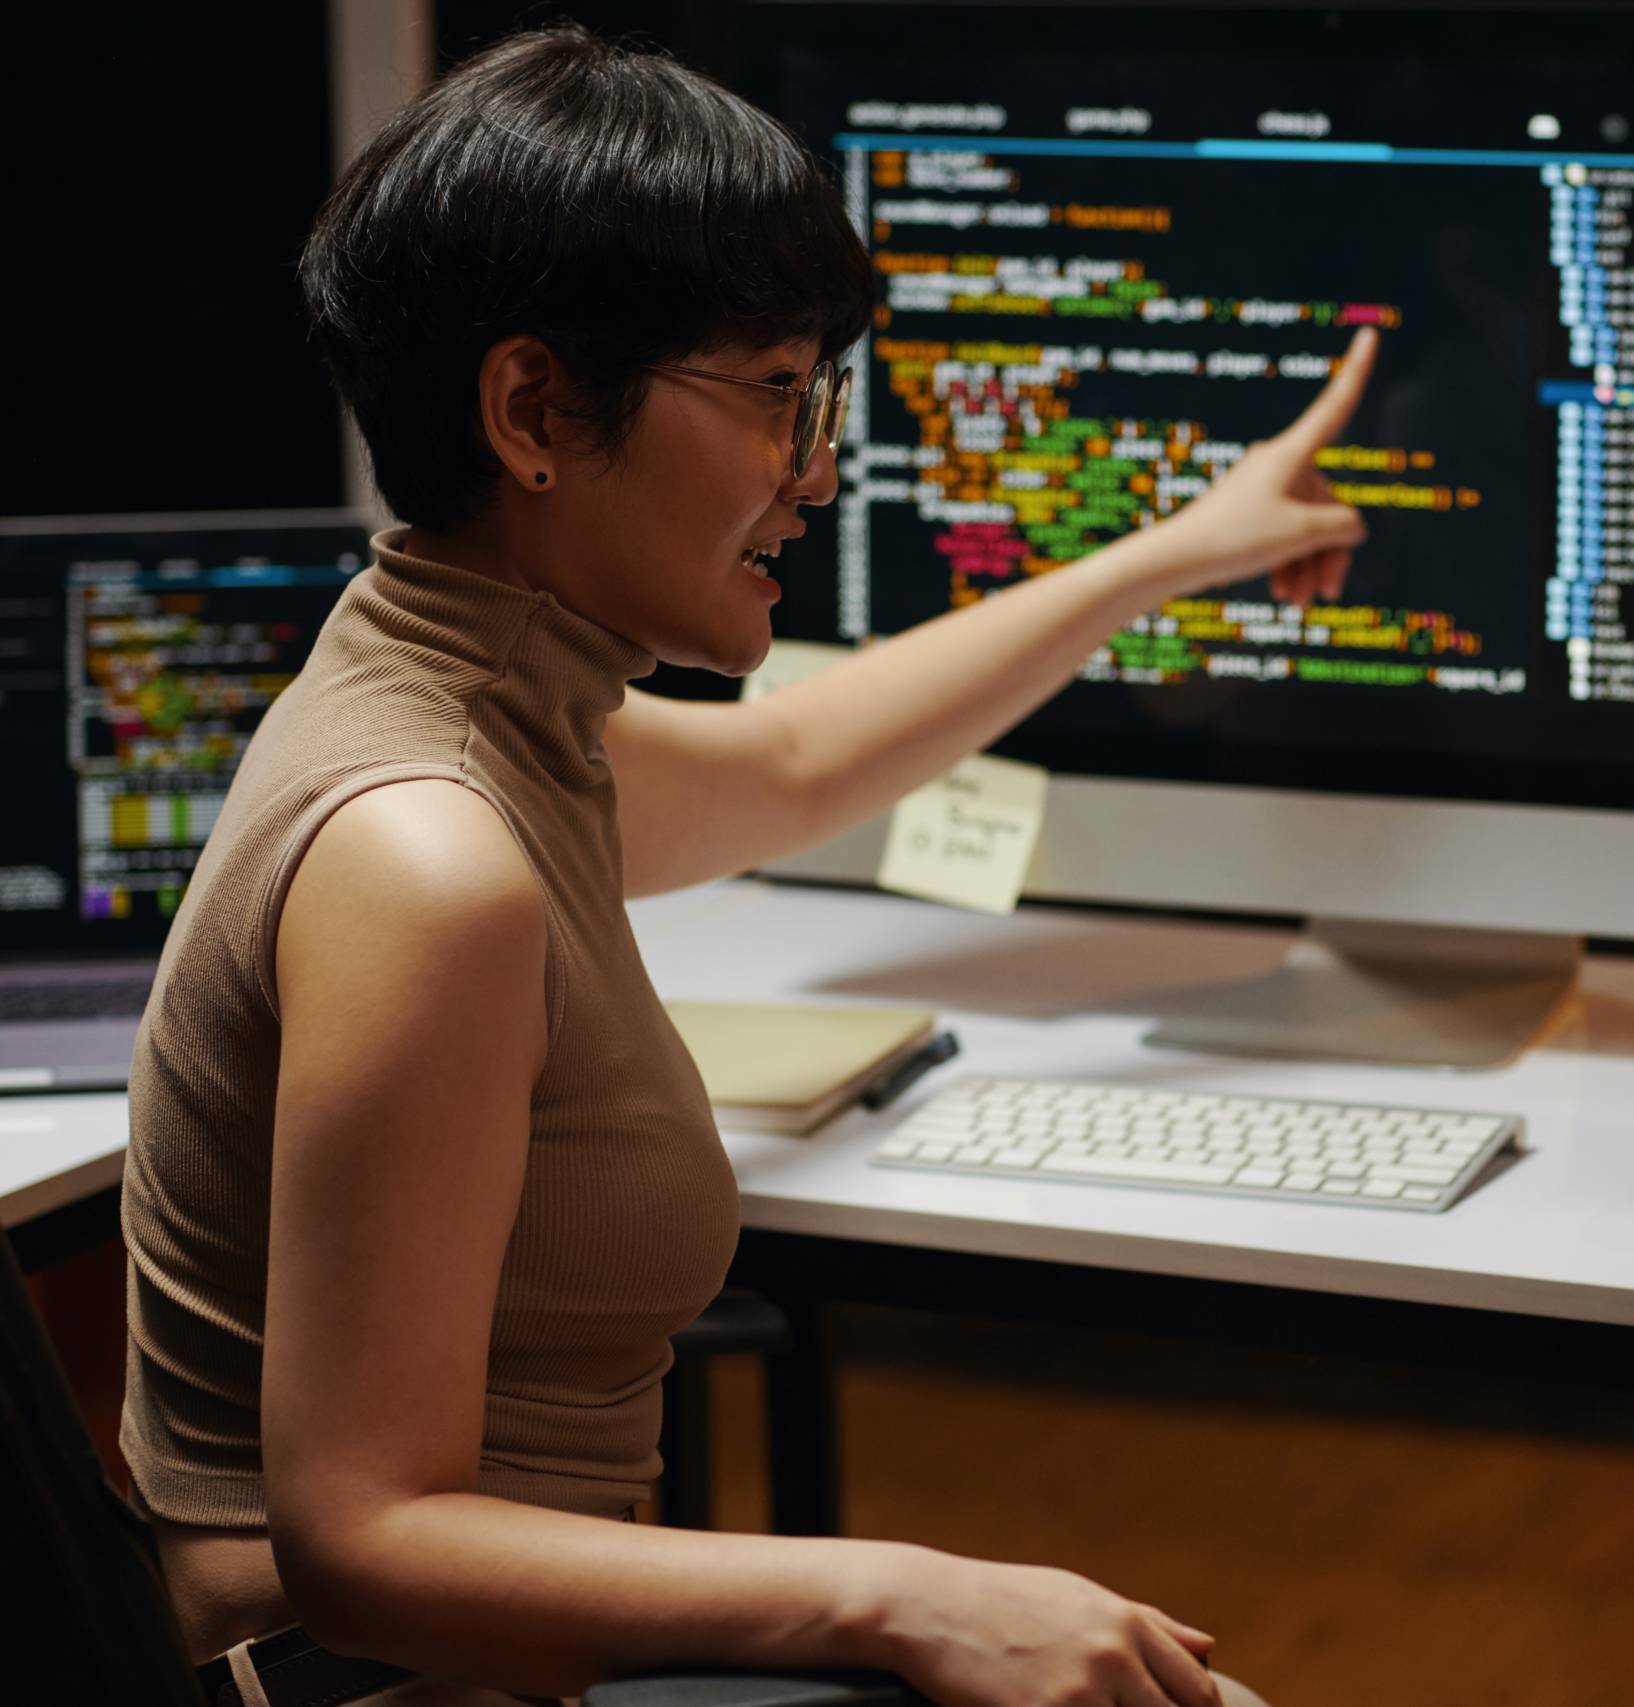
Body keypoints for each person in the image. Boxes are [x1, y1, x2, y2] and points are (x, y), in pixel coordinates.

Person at [121, 25, 1362, 1707]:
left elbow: (797, 762)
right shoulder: (431, 862)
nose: (818, 468)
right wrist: (903, 1595)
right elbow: (363, 1538)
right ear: (534, 409)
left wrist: (1179, 550)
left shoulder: (455, 694)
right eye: (777, 394)